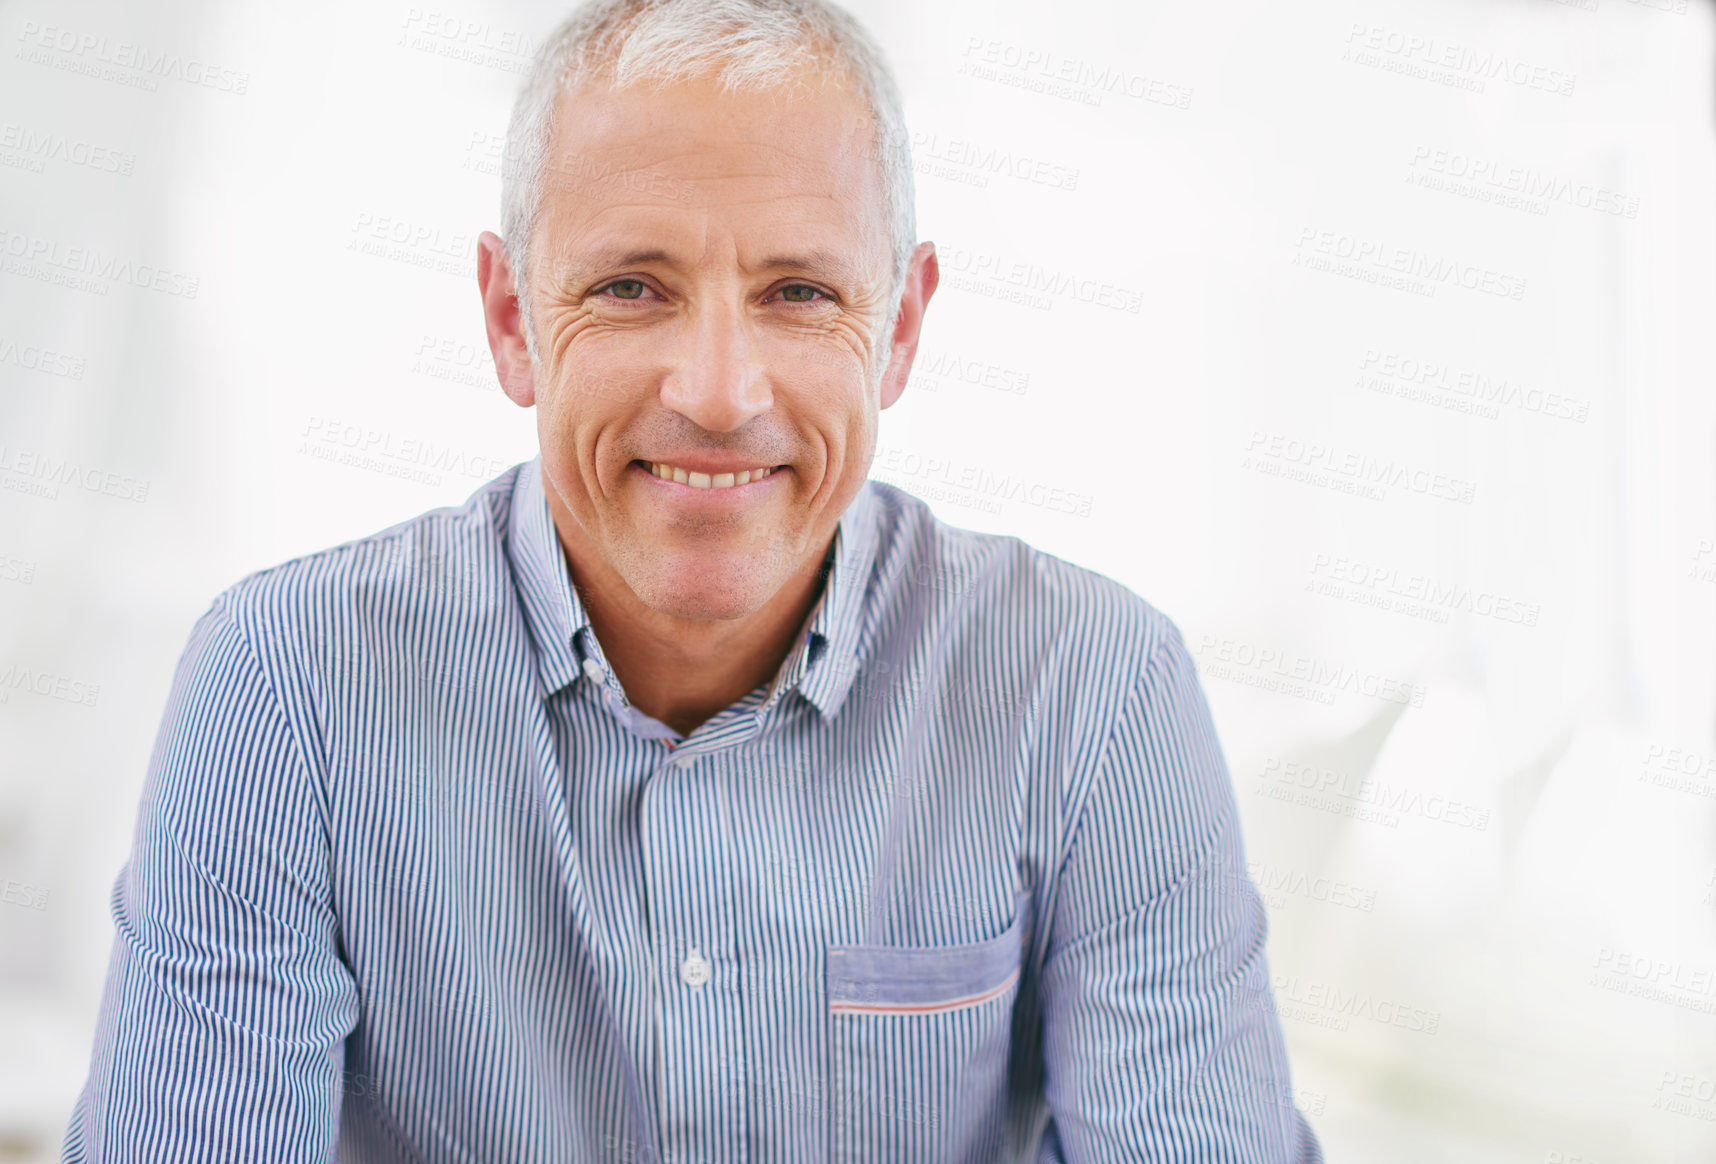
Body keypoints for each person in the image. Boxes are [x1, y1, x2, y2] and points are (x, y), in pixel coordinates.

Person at [62, 1, 1323, 1160]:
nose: (718, 393)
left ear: (899, 329)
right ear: (511, 320)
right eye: (629, 287)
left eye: (800, 292)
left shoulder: (1094, 689)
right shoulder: (287, 689)